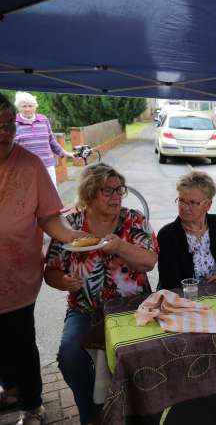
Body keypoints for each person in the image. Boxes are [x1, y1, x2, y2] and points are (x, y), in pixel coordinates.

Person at [44, 163, 158, 425]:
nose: (117, 196)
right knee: (70, 356)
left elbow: (149, 261)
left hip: (134, 308)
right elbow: (49, 271)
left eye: (120, 190)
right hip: (85, 309)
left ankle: (139, 412)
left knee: (144, 354)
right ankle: (92, 414)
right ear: (89, 194)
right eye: (108, 191)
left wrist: (120, 247)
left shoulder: (134, 220)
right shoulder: (69, 225)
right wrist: (63, 281)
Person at [0, 92, 86, 425]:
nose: (5, 132)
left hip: (17, 274)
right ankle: (8, 384)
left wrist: (71, 236)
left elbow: (49, 217)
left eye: (9, 125)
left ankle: (32, 405)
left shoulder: (30, 165)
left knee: (20, 340)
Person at [157, 171, 216, 289]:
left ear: (208, 205)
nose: (185, 207)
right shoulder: (167, 235)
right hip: (184, 297)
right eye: (181, 201)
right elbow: (170, 281)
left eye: (192, 203)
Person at [14, 91, 74, 186]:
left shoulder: (43, 119)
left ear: (35, 106)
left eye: (30, 106)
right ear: (18, 107)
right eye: (24, 106)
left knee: (50, 195)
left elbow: (51, 141)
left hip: (47, 166)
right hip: (25, 168)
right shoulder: (13, 123)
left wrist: (64, 153)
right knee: (30, 197)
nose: (27, 109)